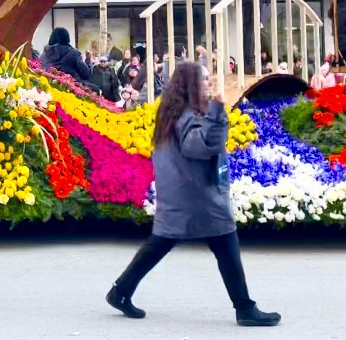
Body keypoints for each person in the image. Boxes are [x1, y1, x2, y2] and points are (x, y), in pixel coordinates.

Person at [106, 62, 280, 327]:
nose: (209, 85)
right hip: (197, 196)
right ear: (192, 85)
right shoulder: (189, 114)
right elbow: (200, 147)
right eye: (205, 80)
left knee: (160, 244)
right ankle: (245, 308)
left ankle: (120, 292)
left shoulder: (172, 111)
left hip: (181, 194)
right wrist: (217, 113)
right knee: (225, 243)